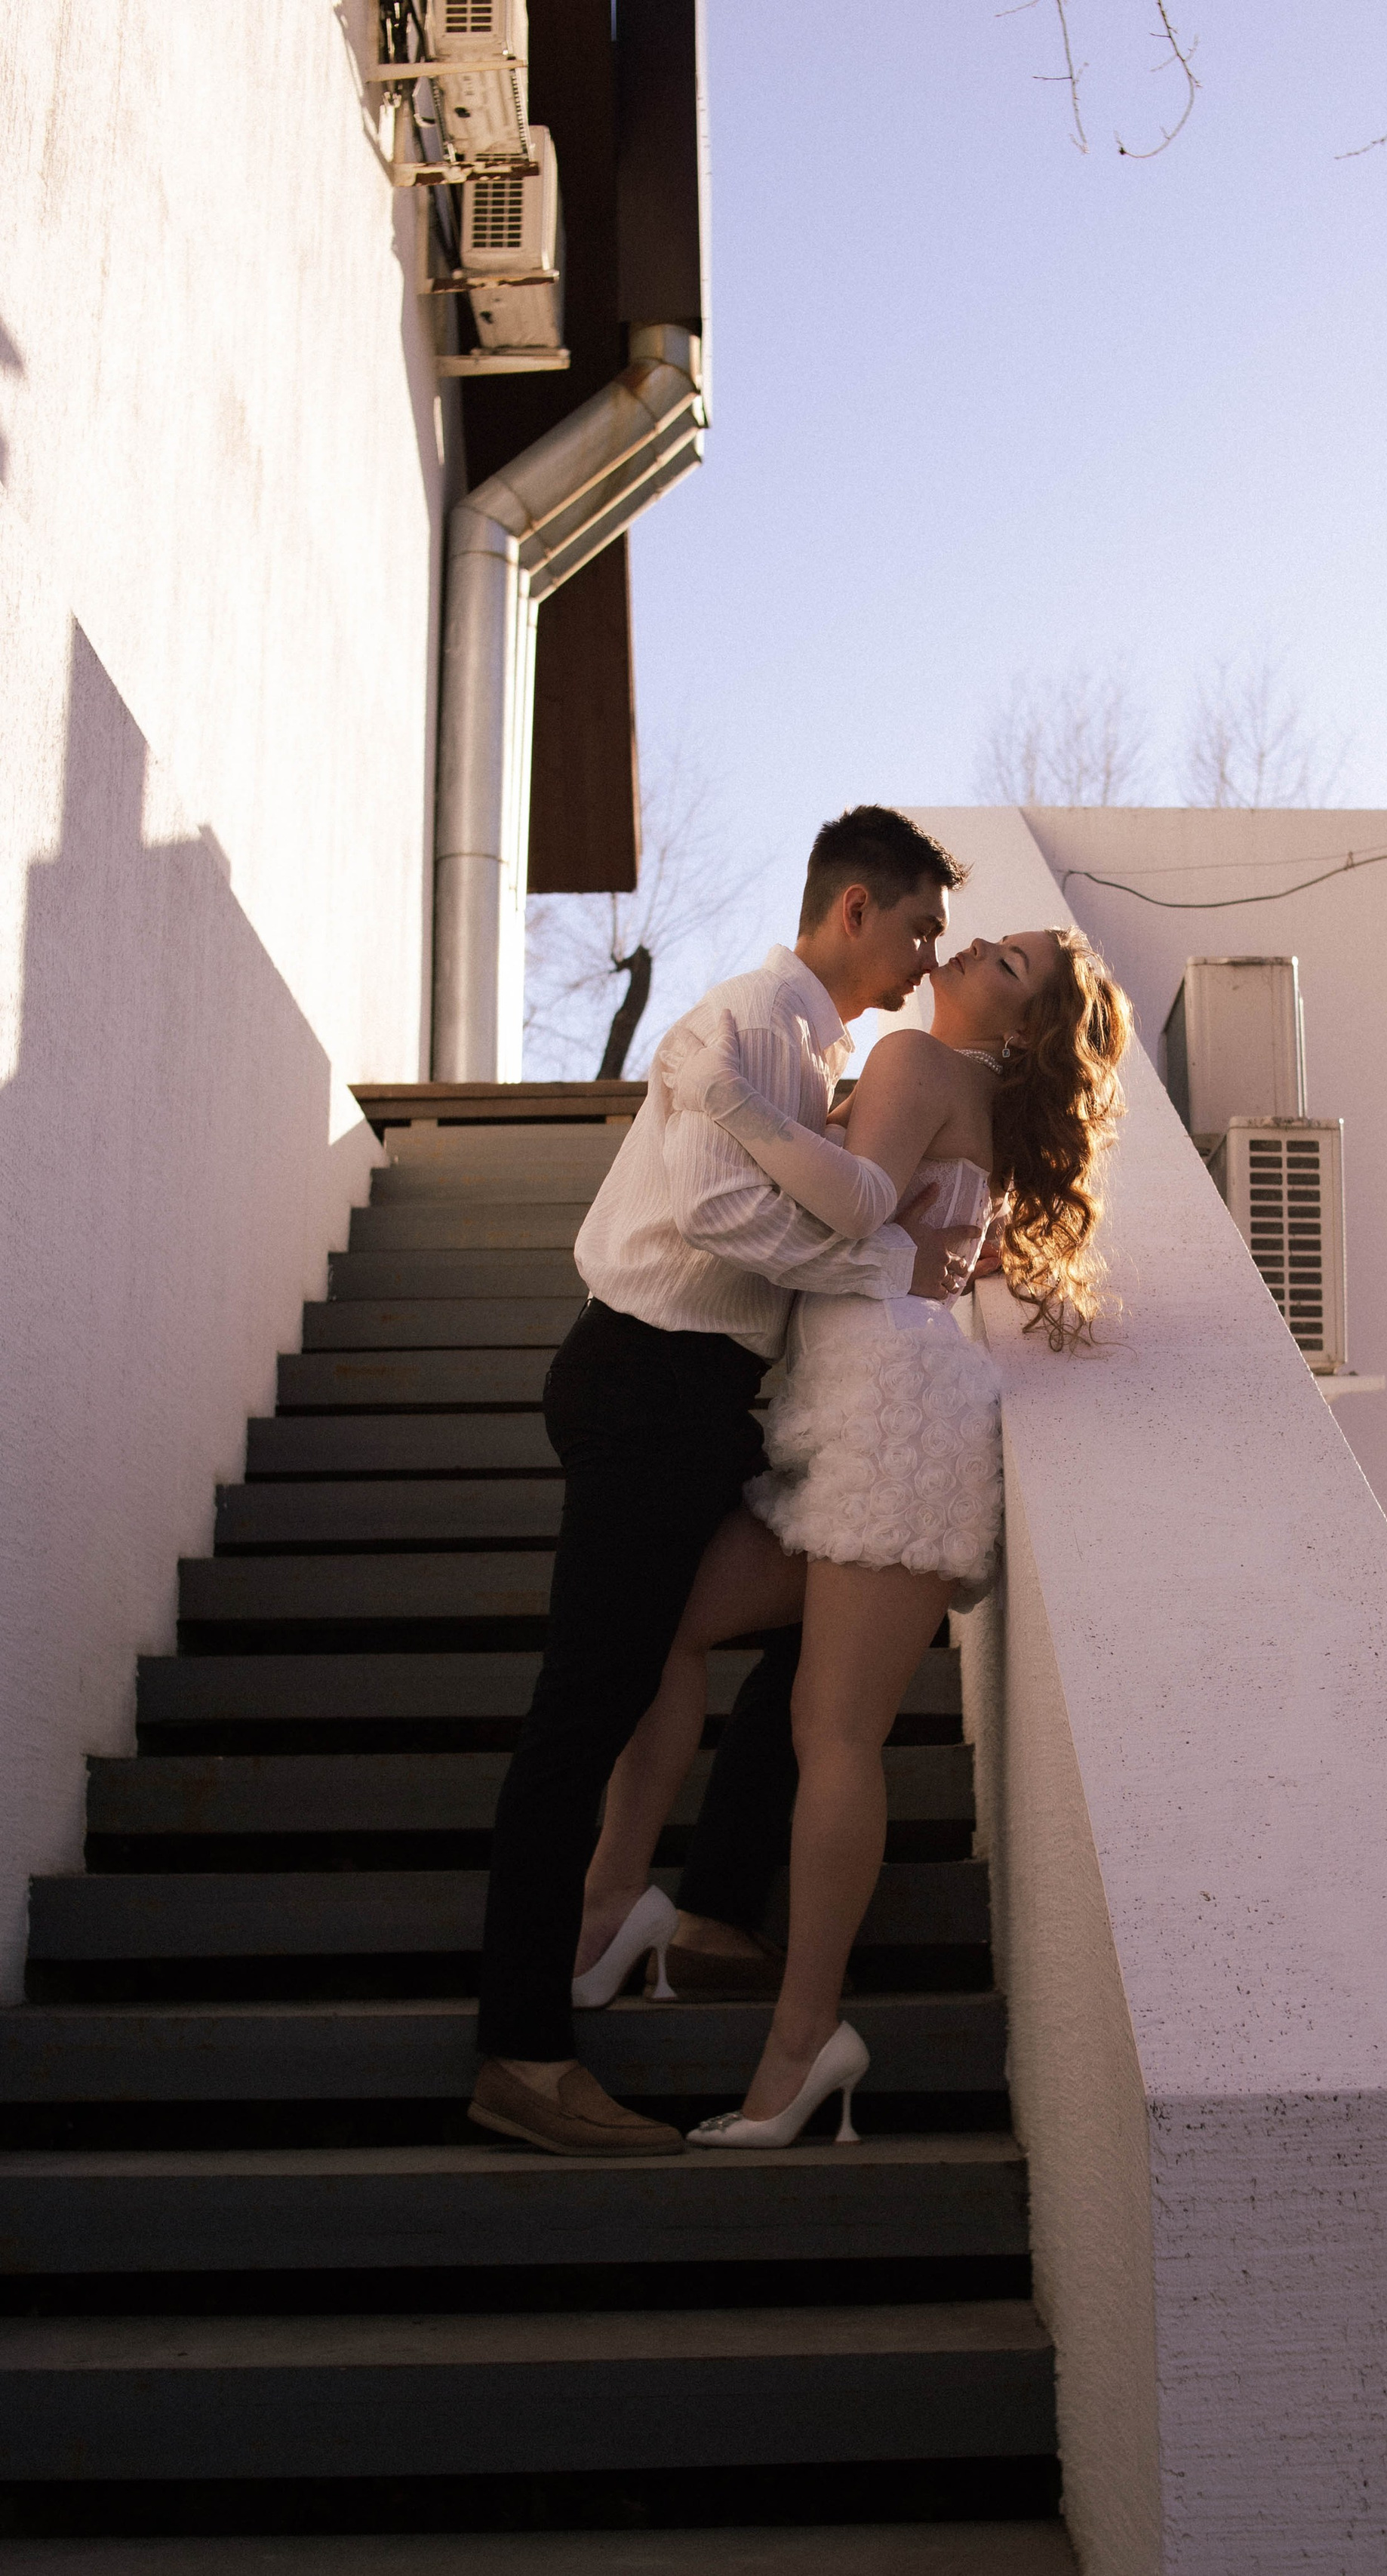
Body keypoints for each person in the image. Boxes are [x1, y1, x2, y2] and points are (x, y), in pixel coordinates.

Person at [468, 807, 977, 2158]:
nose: (930, 957)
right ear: (854, 910)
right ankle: (522, 2046)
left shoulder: (812, 1054)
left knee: (807, 1621)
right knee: (582, 1712)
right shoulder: (757, 1016)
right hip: (647, 1379)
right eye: (919, 924)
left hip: (696, 1400)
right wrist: (873, 1265)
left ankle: (688, 1909)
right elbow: (716, 1214)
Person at [570, 923, 1131, 2147]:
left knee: (835, 1732)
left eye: (1008, 962)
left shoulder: (916, 1067)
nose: (975, 944)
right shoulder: (929, 1079)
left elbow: (841, 1220)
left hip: (889, 1409)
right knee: (667, 1620)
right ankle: (618, 1902)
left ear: (1023, 1027)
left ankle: (801, 2039)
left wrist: (720, 1094)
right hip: (852, 1406)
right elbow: (873, 1222)